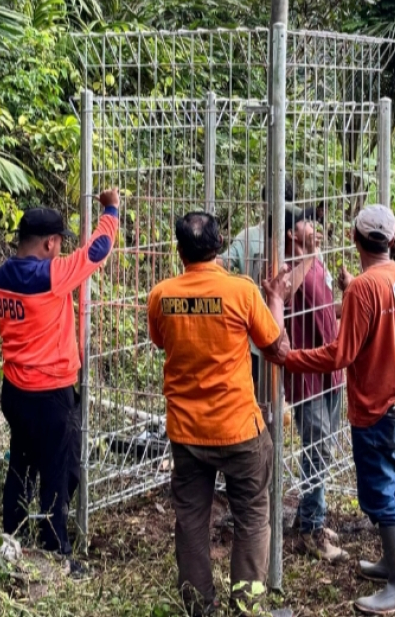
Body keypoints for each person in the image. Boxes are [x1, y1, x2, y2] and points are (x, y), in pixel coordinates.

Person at [266, 204, 395, 614]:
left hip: (377, 407)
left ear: (355, 240)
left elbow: (341, 353)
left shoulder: (361, 288)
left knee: (381, 496)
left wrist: (290, 358)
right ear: (391, 240)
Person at [147, 212, 293, 617]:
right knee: (251, 516)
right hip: (239, 430)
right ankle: (247, 606)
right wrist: (276, 300)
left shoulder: (162, 294)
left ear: (179, 250)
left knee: (191, 520)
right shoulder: (241, 292)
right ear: (219, 245)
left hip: (186, 433)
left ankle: (199, 607)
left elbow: (160, 341)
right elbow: (277, 349)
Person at [0, 190, 120, 576]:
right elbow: (98, 250)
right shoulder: (50, 277)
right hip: (49, 395)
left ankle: (10, 536)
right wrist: (110, 209)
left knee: (20, 466)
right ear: (49, 243)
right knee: (58, 473)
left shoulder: (1, 277)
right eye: (59, 242)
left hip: (15, 391)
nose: (61, 248)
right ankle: (55, 551)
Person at [280, 211, 347, 562]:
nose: (315, 229)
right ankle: (311, 528)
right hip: (305, 377)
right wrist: (307, 257)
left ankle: (309, 514)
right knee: (316, 450)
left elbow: (324, 310)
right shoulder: (284, 267)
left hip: (331, 372)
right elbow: (284, 296)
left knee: (323, 449)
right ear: (292, 233)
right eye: (308, 224)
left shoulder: (317, 263)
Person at [224, 182, 296, 284]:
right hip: (254, 298)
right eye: (274, 207)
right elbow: (221, 262)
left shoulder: (301, 236)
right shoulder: (248, 237)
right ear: (264, 205)